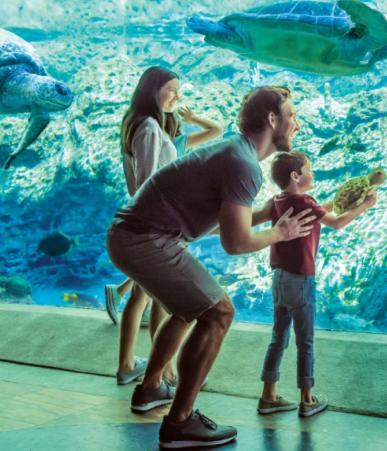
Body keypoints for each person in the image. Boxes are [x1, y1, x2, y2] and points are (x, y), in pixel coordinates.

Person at [106, 86, 314, 449]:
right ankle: (180, 424)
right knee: (218, 312)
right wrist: (281, 233)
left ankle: (150, 388)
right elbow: (234, 243)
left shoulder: (236, 152)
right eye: (291, 115)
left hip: (135, 236)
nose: (296, 123)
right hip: (144, 239)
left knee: (191, 309)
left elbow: (223, 221)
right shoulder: (244, 164)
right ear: (271, 119)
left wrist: (267, 214)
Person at [111, 67, 223, 387]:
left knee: (151, 298)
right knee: (165, 300)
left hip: (155, 225)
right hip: (156, 227)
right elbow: (148, 184)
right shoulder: (148, 127)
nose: (177, 96)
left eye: (179, 89)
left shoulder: (148, 125)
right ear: (152, 90)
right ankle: (161, 371)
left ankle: (149, 367)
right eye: (171, 89)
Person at [256, 151, 377, 418]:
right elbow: (337, 223)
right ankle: (307, 399)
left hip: (279, 279)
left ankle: (268, 396)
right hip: (301, 280)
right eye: (309, 169)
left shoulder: (278, 200)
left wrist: (338, 201)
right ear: (295, 176)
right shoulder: (306, 200)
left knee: (278, 339)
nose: (314, 173)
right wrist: (365, 205)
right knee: (305, 342)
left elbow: (319, 211)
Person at [105, 106, 224, 325]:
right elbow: (216, 130)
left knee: (150, 278)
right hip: (166, 217)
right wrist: (194, 117)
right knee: (147, 285)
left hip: (162, 216)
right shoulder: (175, 144)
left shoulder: (162, 143)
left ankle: (121, 294)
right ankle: (133, 353)